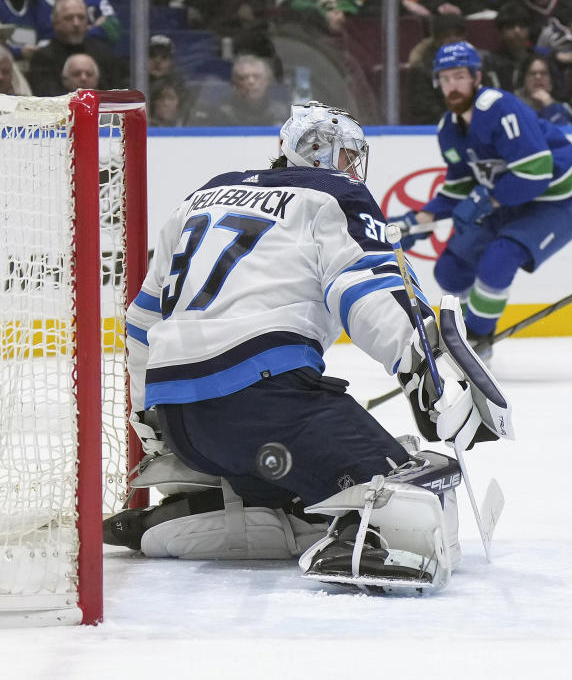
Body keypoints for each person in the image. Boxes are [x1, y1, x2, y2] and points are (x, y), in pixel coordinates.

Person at [111, 101, 509, 592]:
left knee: (299, 499)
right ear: (324, 154)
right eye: (348, 155)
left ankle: (194, 513)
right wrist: (422, 369)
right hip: (266, 408)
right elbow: (366, 290)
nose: (353, 168)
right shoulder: (333, 195)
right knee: (411, 488)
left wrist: (150, 420)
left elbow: (141, 321)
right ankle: (359, 540)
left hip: (185, 423)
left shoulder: (203, 195)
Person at [393, 42, 572, 355]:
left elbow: (536, 173)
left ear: (476, 77)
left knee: (499, 259)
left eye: (459, 77)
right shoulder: (449, 128)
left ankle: (476, 342)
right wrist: (420, 219)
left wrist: (488, 200)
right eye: (445, 79)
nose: (452, 86)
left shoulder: (500, 108)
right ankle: (474, 327)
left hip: (553, 201)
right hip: (507, 199)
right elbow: (461, 183)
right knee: (450, 270)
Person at [27, 0, 129, 96]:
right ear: (55, 23)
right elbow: (46, 98)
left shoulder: (104, 54)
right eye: (68, 18)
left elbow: (117, 96)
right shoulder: (42, 58)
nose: (76, 23)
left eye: (81, 18)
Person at [515, 53, 572, 125]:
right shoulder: (514, 109)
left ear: (551, 80)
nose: (538, 77)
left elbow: (569, 134)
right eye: (532, 73)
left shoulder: (563, 109)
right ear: (524, 80)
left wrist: (550, 107)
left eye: (543, 73)